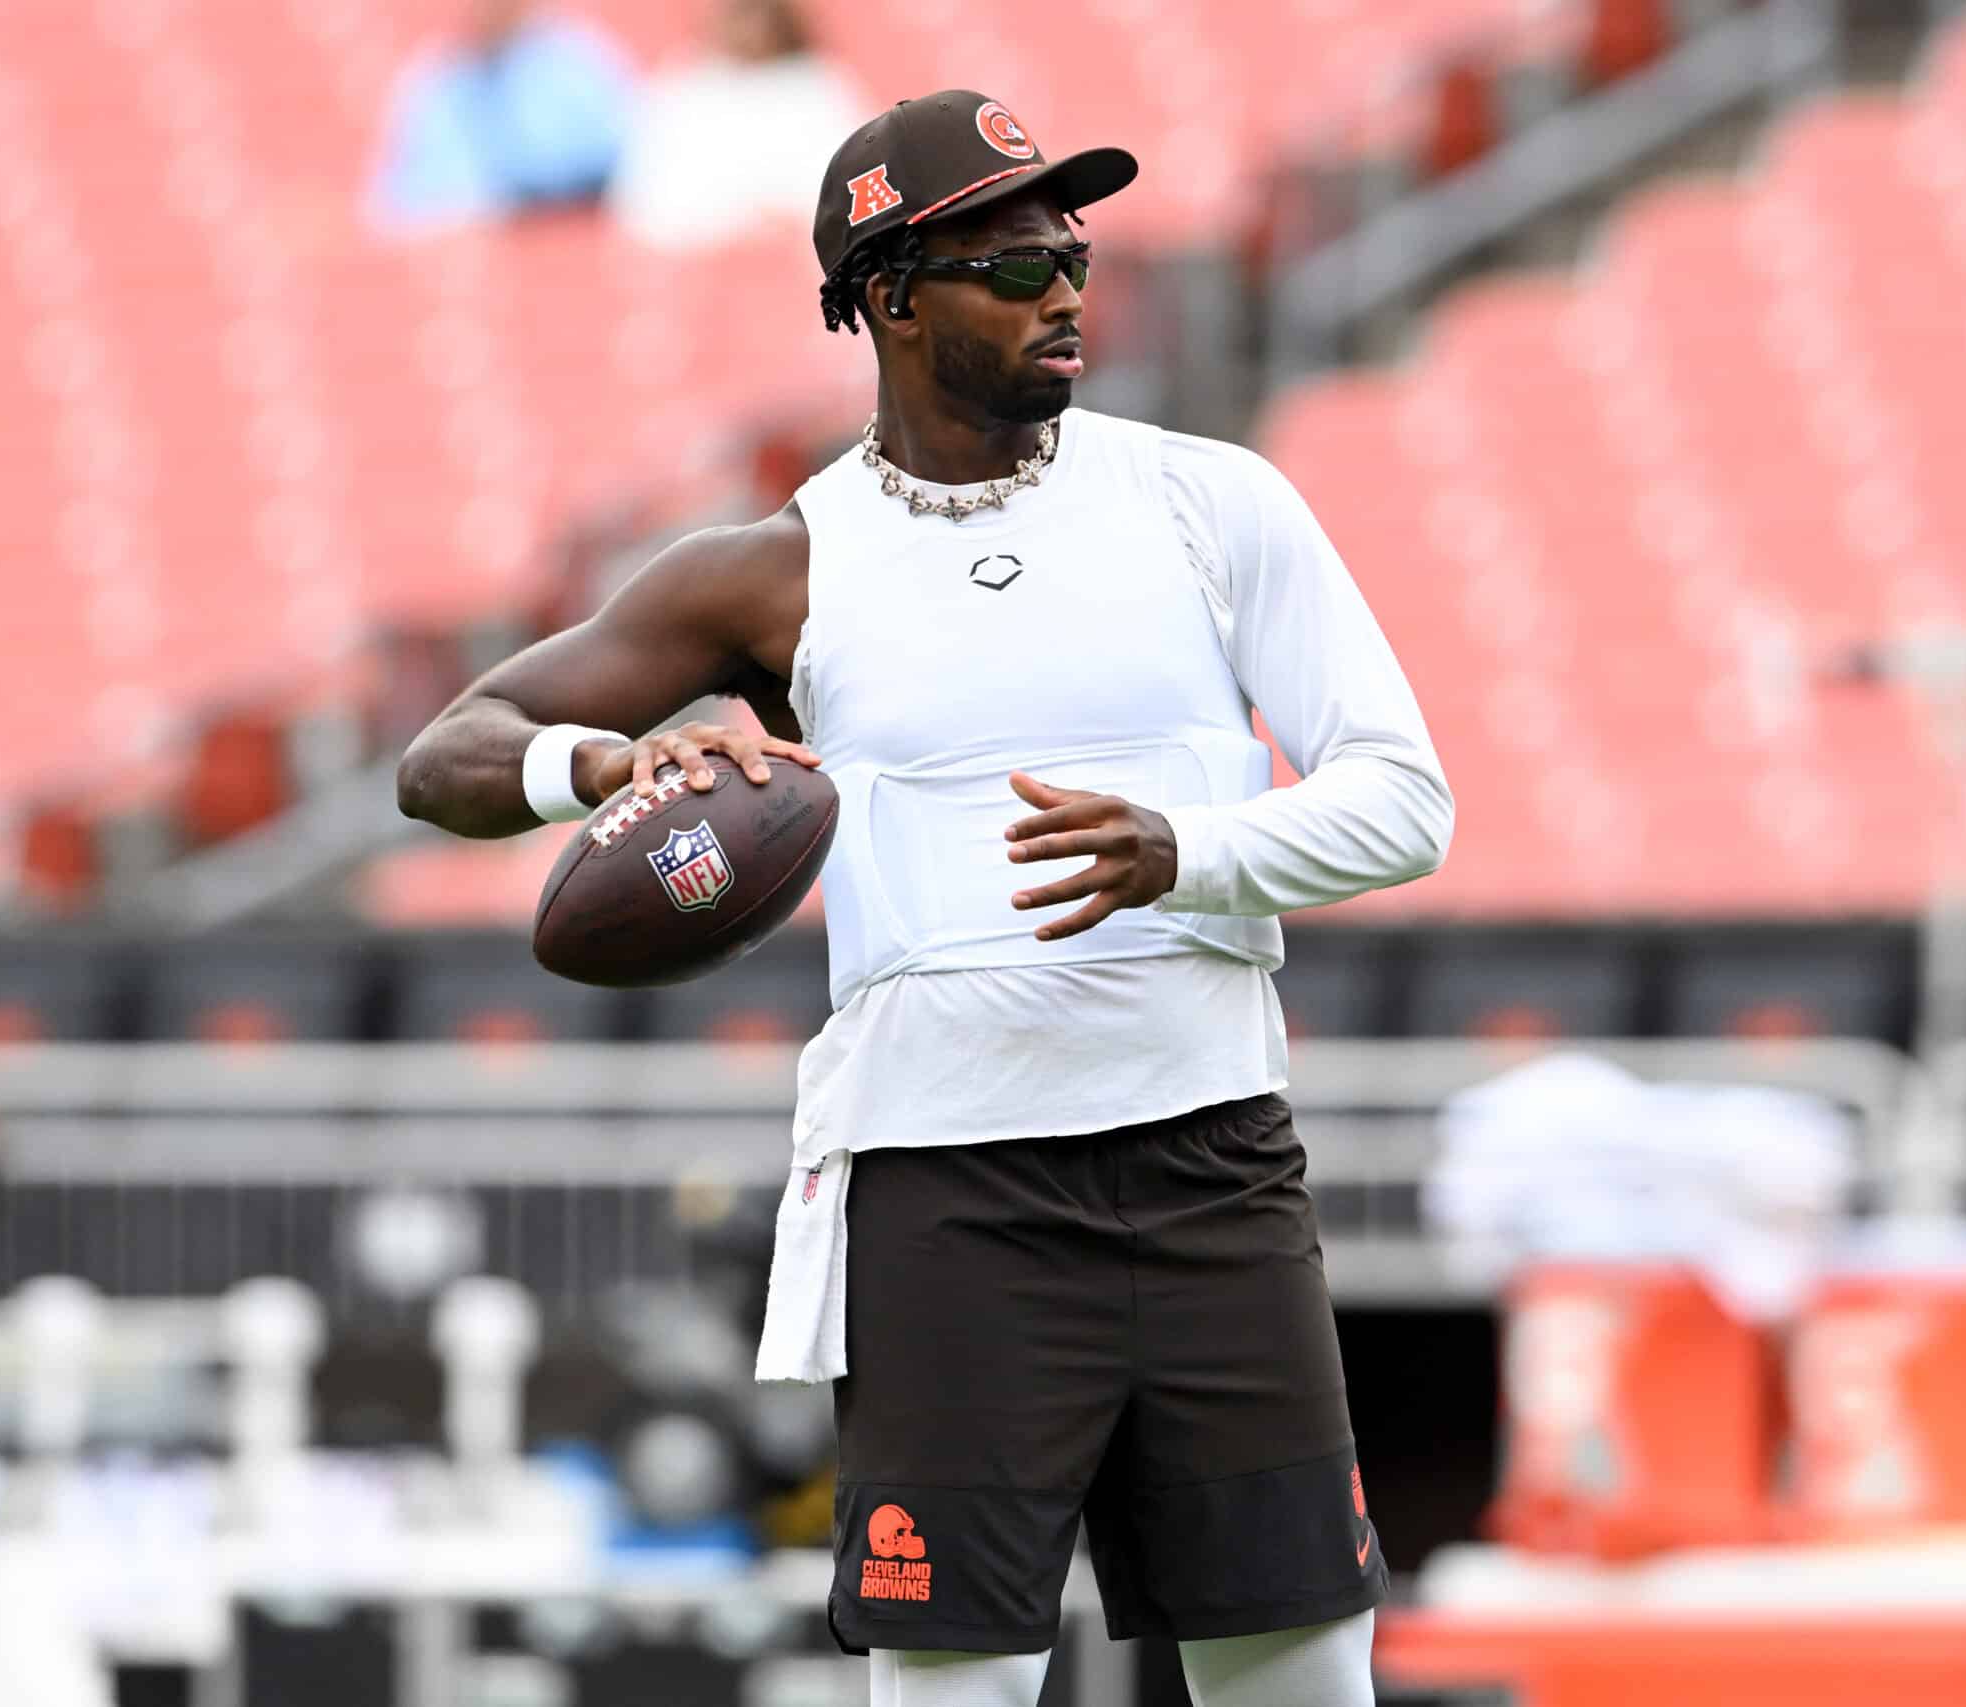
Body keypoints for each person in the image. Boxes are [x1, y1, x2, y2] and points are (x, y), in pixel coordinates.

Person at [396, 90, 1454, 1707]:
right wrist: (602, 772)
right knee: (954, 1685)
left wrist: (1191, 849)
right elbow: (446, 753)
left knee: (1300, 1681)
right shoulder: (780, 568)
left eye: (1074, 254)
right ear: (891, 293)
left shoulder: (1210, 503)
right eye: (1015, 262)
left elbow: (1406, 798)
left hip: (1214, 1168)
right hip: (947, 1200)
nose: (1065, 292)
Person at [612, 0, 868, 250]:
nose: (750, 25)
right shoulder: (685, 88)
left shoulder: (820, 86)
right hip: (702, 258)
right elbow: (648, 209)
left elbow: (855, 189)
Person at [368, 0, 637, 231]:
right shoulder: (437, 84)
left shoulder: (579, 62)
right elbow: (401, 210)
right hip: (473, 266)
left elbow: (629, 175)